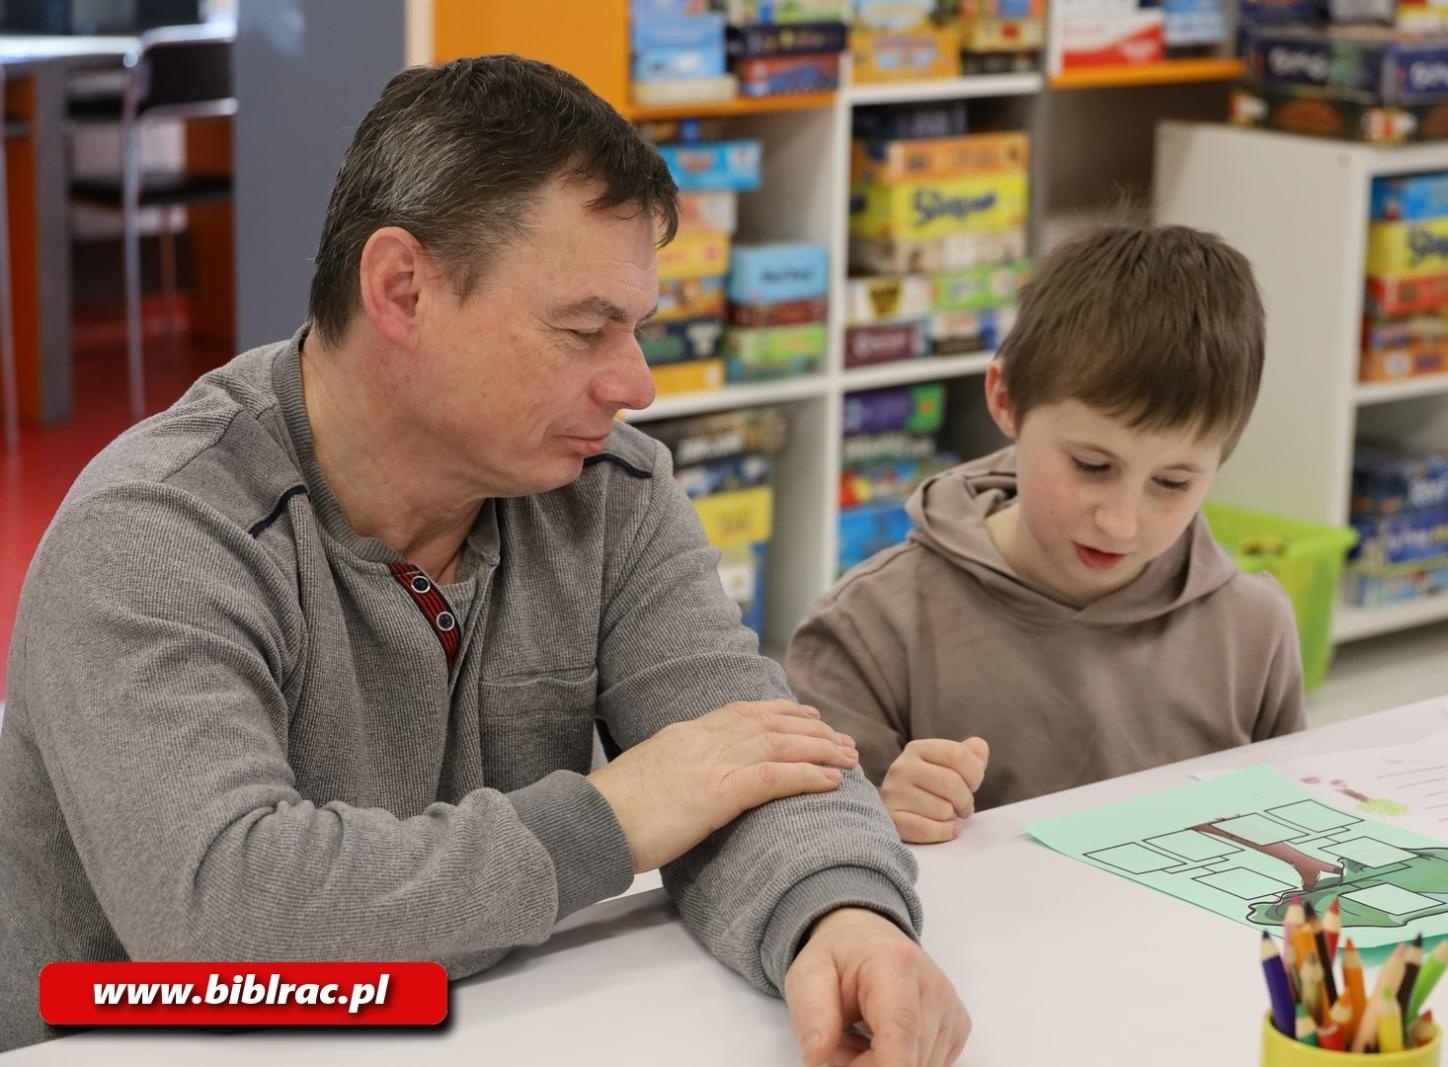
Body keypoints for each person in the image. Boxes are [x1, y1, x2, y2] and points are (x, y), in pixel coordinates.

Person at [0, 56, 968, 1064]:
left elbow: (748, 754)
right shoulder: (151, 533)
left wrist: (838, 915)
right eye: (584, 330)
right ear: (401, 289)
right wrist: (610, 817)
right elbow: (217, 922)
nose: (633, 381)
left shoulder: (609, 493)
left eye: (636, 328)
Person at [787, 224, 1305, 844]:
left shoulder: (1255, 627)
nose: (1120, 521)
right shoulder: (867, 629)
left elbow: (1289, 831)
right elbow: (806, 852)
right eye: (1091, 466)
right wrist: (881, 812)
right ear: (1005, 399)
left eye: (1172, 482)